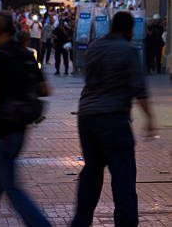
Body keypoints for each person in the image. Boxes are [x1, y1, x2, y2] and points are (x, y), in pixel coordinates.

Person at [71, 11, 155, 227]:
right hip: (113, 120)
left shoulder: (94, 47)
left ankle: (80, 221)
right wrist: (150, 119)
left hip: (87, 118)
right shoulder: (128, 50)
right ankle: (126, 224)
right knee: (123, 176)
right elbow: (139, 88)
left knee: (92, 170)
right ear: (129, 31)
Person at [0, 12, 51, 227]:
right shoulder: (27, 55)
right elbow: (45, 88)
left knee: (12, 189)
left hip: (2, 131)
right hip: (20, 129)